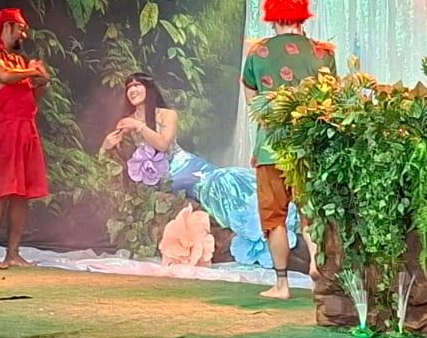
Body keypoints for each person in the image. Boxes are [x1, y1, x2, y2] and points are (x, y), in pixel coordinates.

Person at [101, 73, 304, 272]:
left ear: (149, 88)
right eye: (129, 87)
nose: (132, 90)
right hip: (163, 174)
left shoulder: (166, 115)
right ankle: (251, 231)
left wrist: (140, 127)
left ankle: (265, 216)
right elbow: (119, 154)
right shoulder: (125, 122)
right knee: (209, 187)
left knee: (224, 177)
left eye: (137, 85)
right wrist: (107, 144)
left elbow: (163, 144)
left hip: (185, 163)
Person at [243, 0, 336, 299]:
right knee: (311, 212)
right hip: (309, 146)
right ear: (302, 14)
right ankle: (317, 266)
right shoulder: (323, 53)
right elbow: (331, 101)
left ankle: (282, 284)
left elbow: (253, 102)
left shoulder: (258, 53)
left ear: (271, 15)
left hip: (271, 148)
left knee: (274, 218)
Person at [0, 8, 51, 269]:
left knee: (22, 194)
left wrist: (42, 81)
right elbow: (4, 77)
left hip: (27, 128)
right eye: (20, 28)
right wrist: (32, 72)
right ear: (7, 27)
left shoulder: (19, 61)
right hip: (5, 127)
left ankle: (13, 253)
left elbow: (33, 97)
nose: (24, 34)